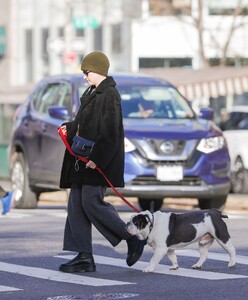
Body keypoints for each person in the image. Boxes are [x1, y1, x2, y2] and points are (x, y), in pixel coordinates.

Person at [58, 51, 146, 273]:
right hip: (82, 160)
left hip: (96, 162)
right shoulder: (92, 92)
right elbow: (83, 124)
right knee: (76, 205)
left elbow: (110, 132)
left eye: (86, 72)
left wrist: (97, 159)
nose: (85, 76)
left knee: (92, 203)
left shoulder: (109, 94)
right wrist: (69, 127)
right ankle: (84, 257)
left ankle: (131, 237)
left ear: (97, 70)